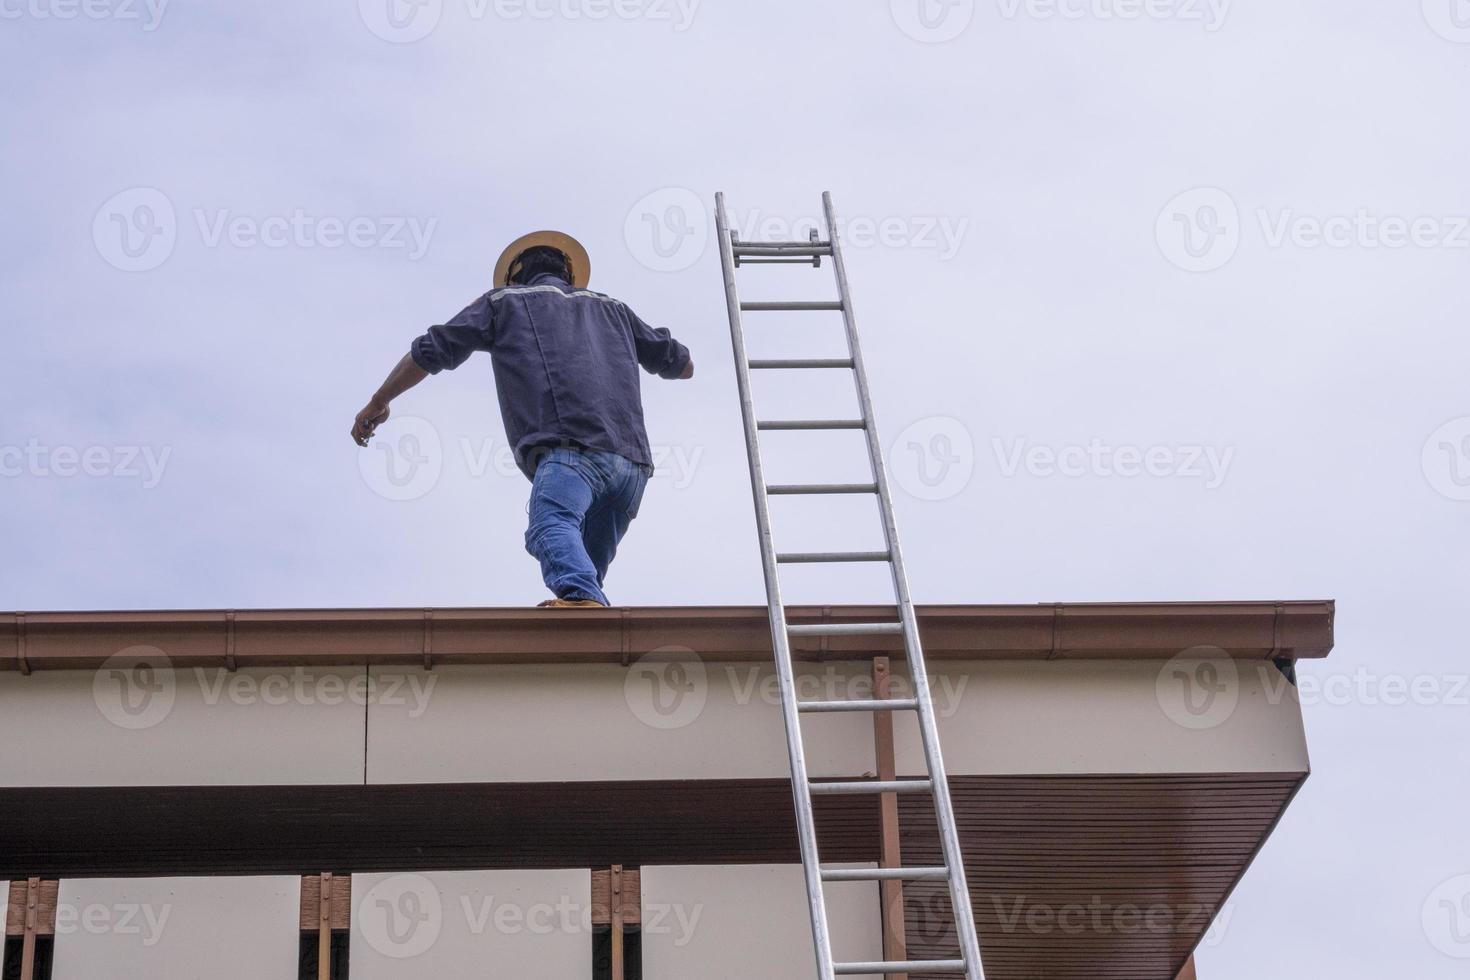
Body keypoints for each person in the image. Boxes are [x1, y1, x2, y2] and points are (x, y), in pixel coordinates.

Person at [351, 230, 693, 608]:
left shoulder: (504, 302)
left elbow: (432, 349)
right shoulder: (615, 309)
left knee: (551, 527)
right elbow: (682, 365)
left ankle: (581, 597)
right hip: (632, 468)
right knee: (586, 583)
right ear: (569, 272)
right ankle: (588, 613)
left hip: (573, 453)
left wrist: (379, 400)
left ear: (515, 276)